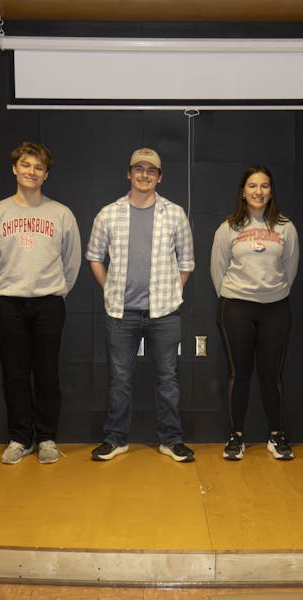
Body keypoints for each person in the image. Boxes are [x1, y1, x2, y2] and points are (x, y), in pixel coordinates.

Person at [86, 148, 196, 462]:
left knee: (167, 379)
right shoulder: (109, 213)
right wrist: (111, 289)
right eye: (139, 169)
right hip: (121, 314)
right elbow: (94, 256)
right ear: (129, 173)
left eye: (151, 170)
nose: (144, 175)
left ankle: (171, 440)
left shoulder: (174, 214)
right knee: (120, 379)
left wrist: (169, 294)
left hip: (164, 313)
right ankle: (116, 439)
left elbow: (186, 263)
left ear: (159, 177)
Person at [0, 141, 81, 466]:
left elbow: (72, 261)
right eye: (26, 165)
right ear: (14, 168)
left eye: (38, 167)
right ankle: (20, 438)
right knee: (14, 374)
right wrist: (7, 284)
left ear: (46, 174)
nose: (31, 172)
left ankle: (47, 437)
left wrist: (56, 290)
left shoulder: (61, 213)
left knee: (47, 374)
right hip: (9, 303)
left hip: (49, 303)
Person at [210, 166, 300, 461]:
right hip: (236, 306)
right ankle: (236, 437)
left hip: (276, 308)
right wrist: (238, 295)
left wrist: (270, 292)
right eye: (252, 186)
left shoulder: (286, 227)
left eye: (264, 186)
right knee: (240, 374)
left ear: (271, 192)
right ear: (243, 192)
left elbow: (290, 268)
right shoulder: (229, 228)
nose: (258, 192)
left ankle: (276, 435)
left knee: (272, 375)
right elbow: (218, 270)